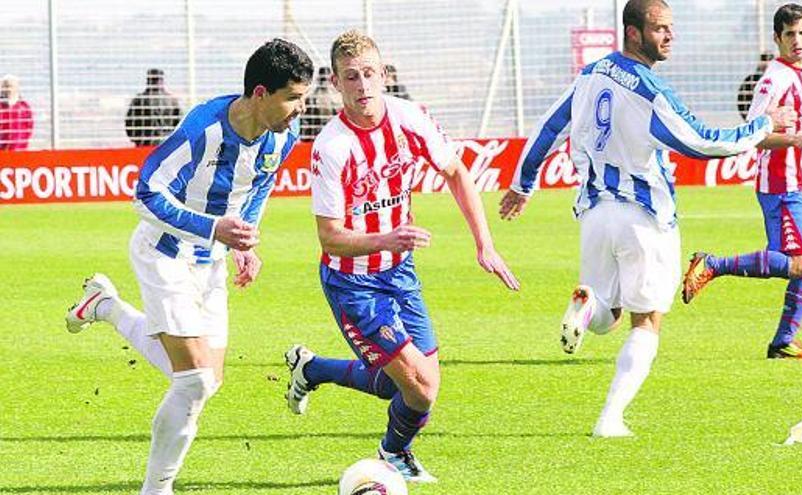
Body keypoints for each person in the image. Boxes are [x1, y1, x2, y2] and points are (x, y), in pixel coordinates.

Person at [498, 0, 794, 438]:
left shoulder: (590, 74)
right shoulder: (650, 90)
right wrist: (764, 124)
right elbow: (701, 142)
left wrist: (523, 184)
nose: (669, 36)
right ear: (633, 33)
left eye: (671, 28)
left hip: (596, 214)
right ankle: (610, 419)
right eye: (659, 29)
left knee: (609, 315)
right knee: (647, 321)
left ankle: (588, 302)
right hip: (644, 218)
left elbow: (547, 126)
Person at [65, 39, 313, 495]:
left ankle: (106, 307)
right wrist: (215, 228)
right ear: (261, 94)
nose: (301, 109)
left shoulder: (283, 135)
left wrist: (246, 242)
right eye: (293, 98)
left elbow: (260, 183)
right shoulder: (205, 129)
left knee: (204, 380)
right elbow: (146, 193)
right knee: (195, 381)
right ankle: (156, 489)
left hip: (210, 260)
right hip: (164, 254)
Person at [284, 29, 518, 482]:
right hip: (353, 283)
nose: (363, 85)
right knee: (421, 388)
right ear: (335, 83)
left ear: (384, 74)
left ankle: (310, 368)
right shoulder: (331, 148)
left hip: (399, 271)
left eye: (370, 73)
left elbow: (455, 170)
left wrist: (484, 243)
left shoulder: (410, 118)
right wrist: (385, 239)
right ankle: (393, 454)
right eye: (351, 77)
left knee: (408, 384)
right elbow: (330, 238)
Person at [682, 4, 802, 359]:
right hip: (781, 184)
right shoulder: (775, 78)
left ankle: (783, 343)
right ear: (777, 38)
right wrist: (796, 140)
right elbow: (752, 134)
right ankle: (712, 264)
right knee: (800, 264)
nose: (797, 41)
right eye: (789, 35)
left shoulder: (800, 75)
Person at [125, 68, 183, 146]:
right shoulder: (172, 101)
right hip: (166, 144)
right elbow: (179, 125)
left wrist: (138, 140)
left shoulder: (139, 100)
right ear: (161, 80)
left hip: (145, 145)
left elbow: (130, 125)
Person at [301, 66, 341, 141]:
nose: (325, 82)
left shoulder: (337, 98)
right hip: (315, 136)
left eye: (326, 79)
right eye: (323, 79)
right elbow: (306, 121)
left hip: (332, 135)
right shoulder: (312, 98)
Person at [737, 51, 775, 120]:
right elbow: (742, 103)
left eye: (769, 61)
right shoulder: (751, 81)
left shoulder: (778, 81)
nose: (767, 64)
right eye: (764, 61)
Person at [0, 75, 34, 150]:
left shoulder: (24, 107)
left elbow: (29, 127)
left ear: (17, 88)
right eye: (4, 86)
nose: (7, 89)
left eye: (10, 86)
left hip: (19, 150)